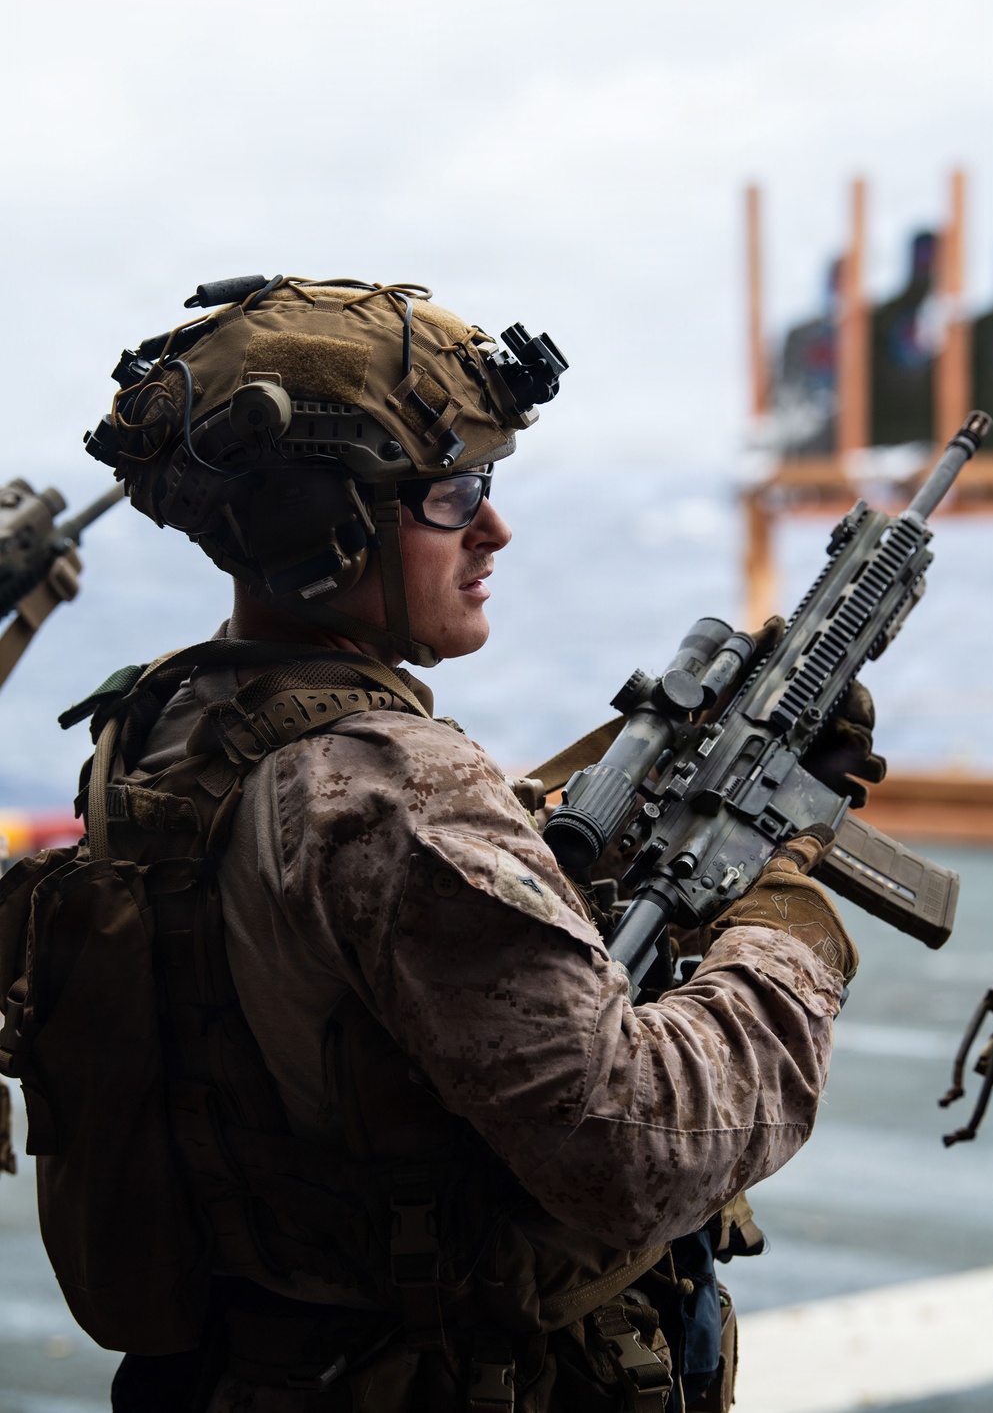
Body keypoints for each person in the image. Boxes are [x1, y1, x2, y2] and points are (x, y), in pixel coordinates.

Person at [9, 277, 881, 1412]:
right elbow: (638, 1143)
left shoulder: (171, 726)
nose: (493, 527)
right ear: (328, 532)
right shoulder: (398, 792)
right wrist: (785, 912)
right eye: (450, 492)